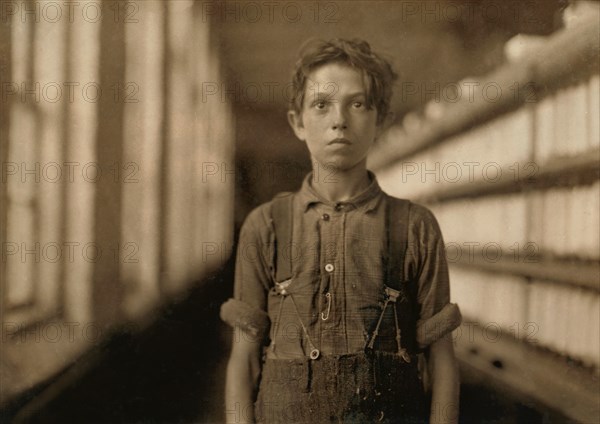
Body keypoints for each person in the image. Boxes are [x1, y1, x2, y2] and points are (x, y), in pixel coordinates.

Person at [221, 38, 461, 423]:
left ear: (380, 119)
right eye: (321, 105)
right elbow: (244, 362)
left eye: (358, 103)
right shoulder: (265, 225)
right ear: (298, 123)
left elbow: (442, 363)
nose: (339, 120)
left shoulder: (415, 226)